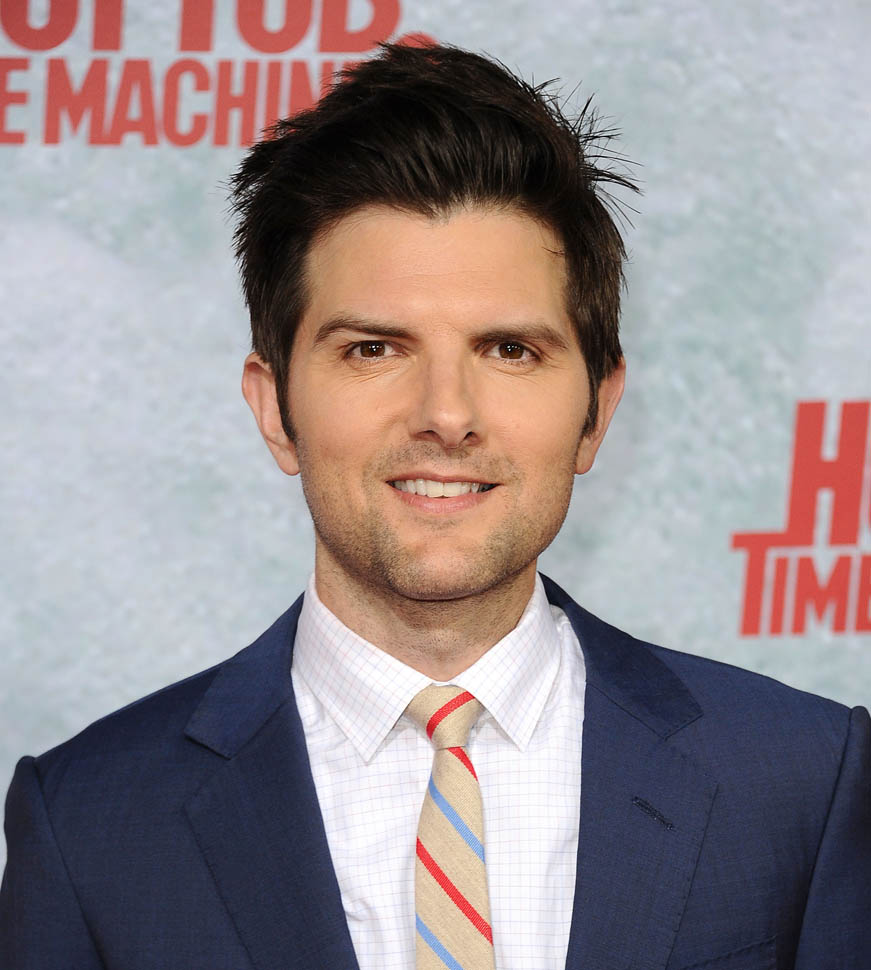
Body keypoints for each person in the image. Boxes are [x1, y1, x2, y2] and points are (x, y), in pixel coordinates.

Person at [1, 41, 868, 970]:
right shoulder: (90, 825)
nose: (446, 415)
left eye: (509, 351)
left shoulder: (801, 780)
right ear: (274, 408)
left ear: (596, 412)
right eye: (374, 350)